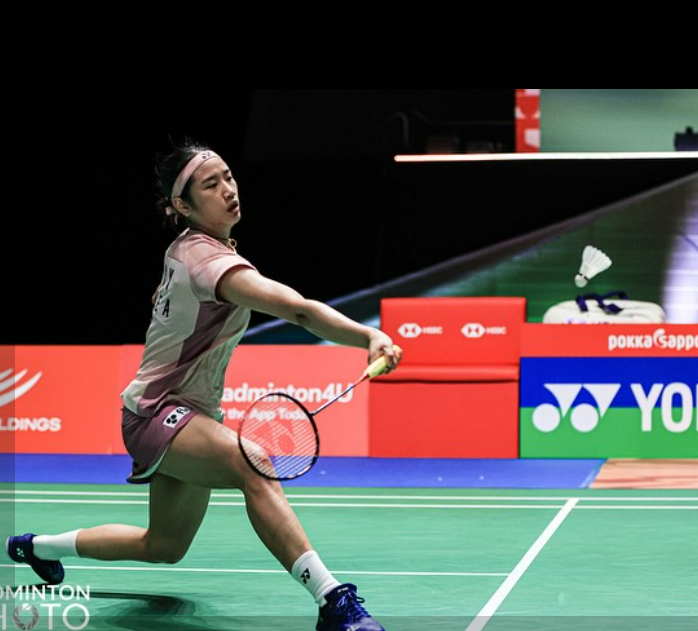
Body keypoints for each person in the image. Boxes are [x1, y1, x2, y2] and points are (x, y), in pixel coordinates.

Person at [6, 139, 401, 631]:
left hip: (183, 414)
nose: (228, 190)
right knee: (255, 465)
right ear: (184, 205)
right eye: (211, 185)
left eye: (228, 177)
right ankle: (332, 600)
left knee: (163, 546)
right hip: (158, 413)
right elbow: (299, 310)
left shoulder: (190, 251)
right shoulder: (208, 263)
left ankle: (35, 547)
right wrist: (368, 335)